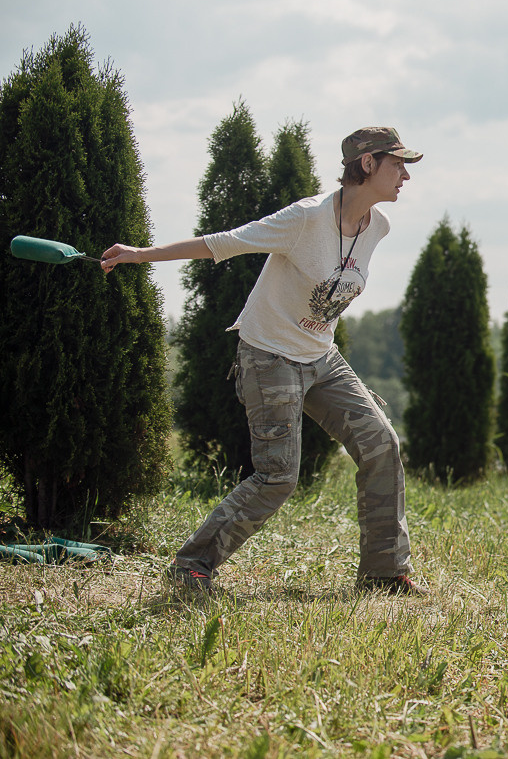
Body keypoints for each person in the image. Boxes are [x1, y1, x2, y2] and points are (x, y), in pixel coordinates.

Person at [102, 127, 426, 596]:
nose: (406, 175)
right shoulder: (306, 218)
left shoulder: (378, 227)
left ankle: (383, 573)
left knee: (381, 444)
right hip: (269, 356)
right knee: (278, 476)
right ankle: (192, 564)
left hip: (321, 358)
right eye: (398, 164)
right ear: (368, 164)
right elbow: (224, 242)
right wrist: (140, 255)